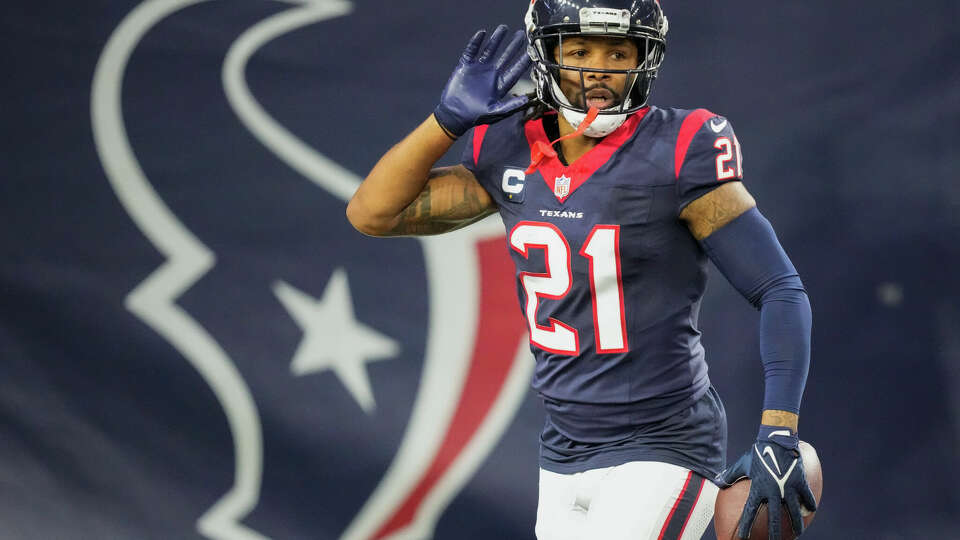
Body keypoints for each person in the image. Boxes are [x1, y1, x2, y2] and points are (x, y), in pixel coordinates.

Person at [346, 1, 817, 538]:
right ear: (547, 55)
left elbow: (779, 288)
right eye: (579, 51)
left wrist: (779, 427)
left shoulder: (681, 147)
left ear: (644, 58)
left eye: (618, 51)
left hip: (664, 441)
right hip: (564, 446)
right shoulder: (509, 147)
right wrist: (444, 123)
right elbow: (371, 213)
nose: (599, 68)